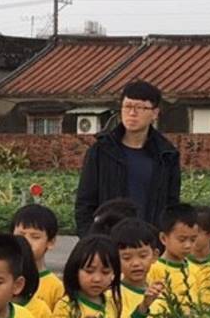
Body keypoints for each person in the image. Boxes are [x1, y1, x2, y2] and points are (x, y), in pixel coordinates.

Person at [74, 79, 182, 235]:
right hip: (108, 240)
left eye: (140, 107)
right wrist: (91, 239)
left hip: (149, 241)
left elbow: (171, 206)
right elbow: (85, 203)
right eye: (127, 106)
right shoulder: (102, 150)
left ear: (155, 113)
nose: (132, 113)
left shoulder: (167, 155)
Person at [111, 218, 169, 318]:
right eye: (126, 258)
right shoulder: (113, 295)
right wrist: (143, 307)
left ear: (155, 255)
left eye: (143, 256)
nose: (136, 263)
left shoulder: (160, 295)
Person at [11, 203, 66, 313]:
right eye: (20, 235)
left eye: (35, 237)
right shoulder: (3, 278)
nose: (27, 241)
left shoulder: (56, 287)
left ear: (50, 242)